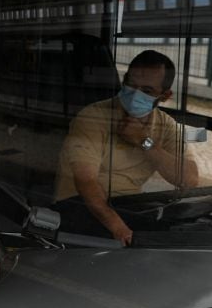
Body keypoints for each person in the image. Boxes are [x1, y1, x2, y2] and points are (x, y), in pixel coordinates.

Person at [54, 50, 199, 245]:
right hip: (79, 204)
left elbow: (189, 179)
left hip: (129, 204)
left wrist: (144, 142)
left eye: (147, 91)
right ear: (123, 80)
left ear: (165, 96)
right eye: (131, 85)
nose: (135, 94)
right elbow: (85, 181)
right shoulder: (92, 117)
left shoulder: (166, 125)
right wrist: (119, 229)